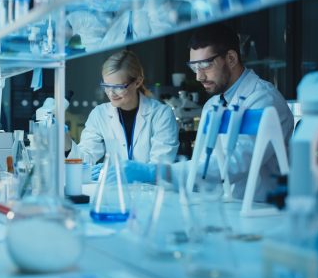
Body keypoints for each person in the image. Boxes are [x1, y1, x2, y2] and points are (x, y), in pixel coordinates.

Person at [121, 24, 294, 202]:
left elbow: (230, 165)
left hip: (262, 211)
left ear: (231, 58)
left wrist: (157, 172)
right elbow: (203, 164)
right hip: (224, 206)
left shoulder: (264, 100)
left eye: (205, 65)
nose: (199, 77)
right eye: (194, 68)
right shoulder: (212, 105)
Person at [66, 50, 179, 167]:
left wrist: (125, 172)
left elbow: (160, 167)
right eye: (106, 86)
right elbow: (85, 160)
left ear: (138, 82)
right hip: (114, 185)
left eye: (118, 87)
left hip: (149, 185)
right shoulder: (99, 114)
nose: (111, 93)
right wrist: (66, 143)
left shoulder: (162, 115)